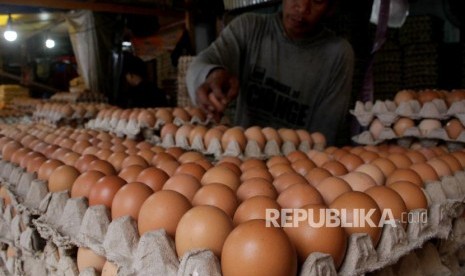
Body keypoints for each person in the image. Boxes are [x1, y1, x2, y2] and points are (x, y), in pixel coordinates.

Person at [186, 0, 354, 146]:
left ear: (330, 7)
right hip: (242, 162)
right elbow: (202, 62)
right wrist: (212, 74)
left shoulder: (337, 55)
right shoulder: (250, 28)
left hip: (298, 171)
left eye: (318, 0)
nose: (302, 7)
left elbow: (324, 136)